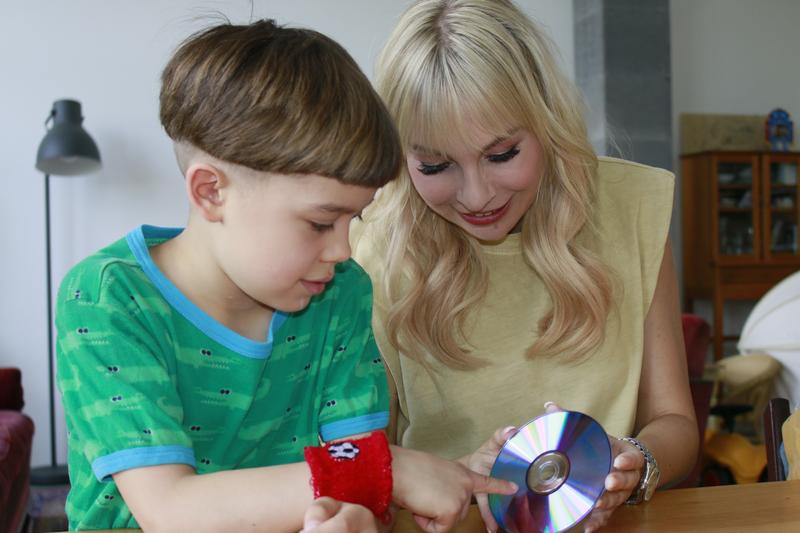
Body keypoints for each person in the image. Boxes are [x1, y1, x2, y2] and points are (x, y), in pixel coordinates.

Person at [56, 19, 515, 532]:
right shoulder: (107, 300)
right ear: (211, 192)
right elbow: (170, 511)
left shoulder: (341, 294)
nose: (343, 248)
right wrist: (392, 469)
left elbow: (358, 487)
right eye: (320, 223)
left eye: (353, 219)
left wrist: (361, 516)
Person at [351, 1, 698, 531]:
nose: (476, 195)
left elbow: (676, 423)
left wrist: (632, 462)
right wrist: (455, 478)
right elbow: (362, 460)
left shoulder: (633, 209)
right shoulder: (371, 244)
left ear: (546, 120)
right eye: (436, 165)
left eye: (502, 153)